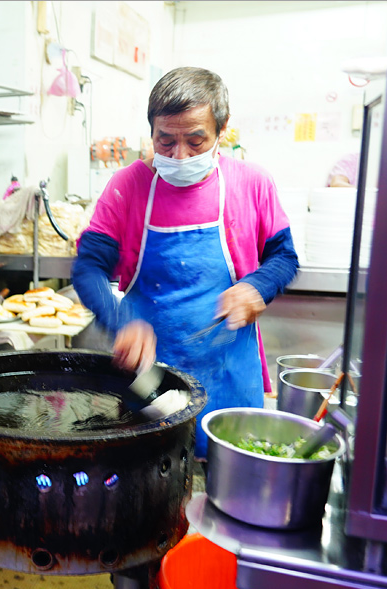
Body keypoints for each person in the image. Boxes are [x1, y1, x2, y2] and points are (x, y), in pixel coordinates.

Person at [71, 67, 299, 460]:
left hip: (230, 373)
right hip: (150, 378)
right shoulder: (128, 186)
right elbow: (89, 267)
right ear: (152, 131)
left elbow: (284, 257)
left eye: (195, 141)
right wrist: (119, 320)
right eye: (165, 140)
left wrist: (257, 287)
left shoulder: (252, 184)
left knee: (227, 483)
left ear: (221, 131)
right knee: (149, 480)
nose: (179, 155)